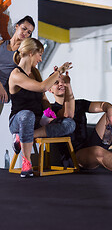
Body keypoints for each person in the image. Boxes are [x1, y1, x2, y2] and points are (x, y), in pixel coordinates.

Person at [8, 37, 76, 178]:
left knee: (69, 124)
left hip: (37, 121)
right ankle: (26, 163)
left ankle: (24, 137)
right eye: (40, 55)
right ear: (31, 52)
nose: (40, 59)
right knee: (27, 115)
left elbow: (43, 97)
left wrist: (50, 115)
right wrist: (60, 71)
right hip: (18, 120)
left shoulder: (36, 73)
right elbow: (42, 87)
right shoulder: (16, 75)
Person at [0, 16, 35, 103]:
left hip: (2, 94)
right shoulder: (1, 43)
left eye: (29, 32)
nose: (25, 33)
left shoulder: (23, 54)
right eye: (24, 28)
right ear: (17, 26)